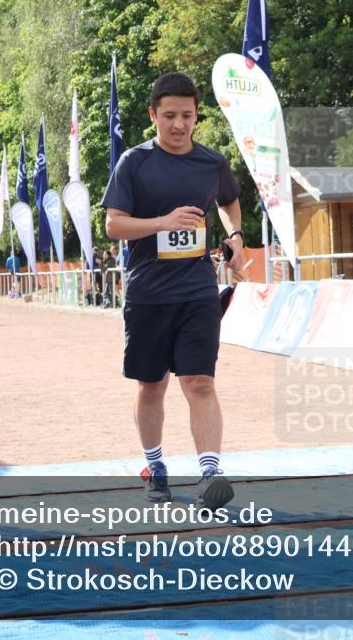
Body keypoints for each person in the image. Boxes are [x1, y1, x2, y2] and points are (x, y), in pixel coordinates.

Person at [102, 72, 245, 509]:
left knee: (199, 382)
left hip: (198, 291)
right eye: (169, 116)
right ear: (153, 116)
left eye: (187, 115)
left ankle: (209, 474)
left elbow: (229, 201)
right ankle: (155, 466)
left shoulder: (211, 163)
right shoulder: (134, 162)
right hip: (148, 294)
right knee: (152, 386)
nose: (179, 124)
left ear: (197, 115)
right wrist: (162, 222)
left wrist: (236, 238)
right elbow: (113, 225)